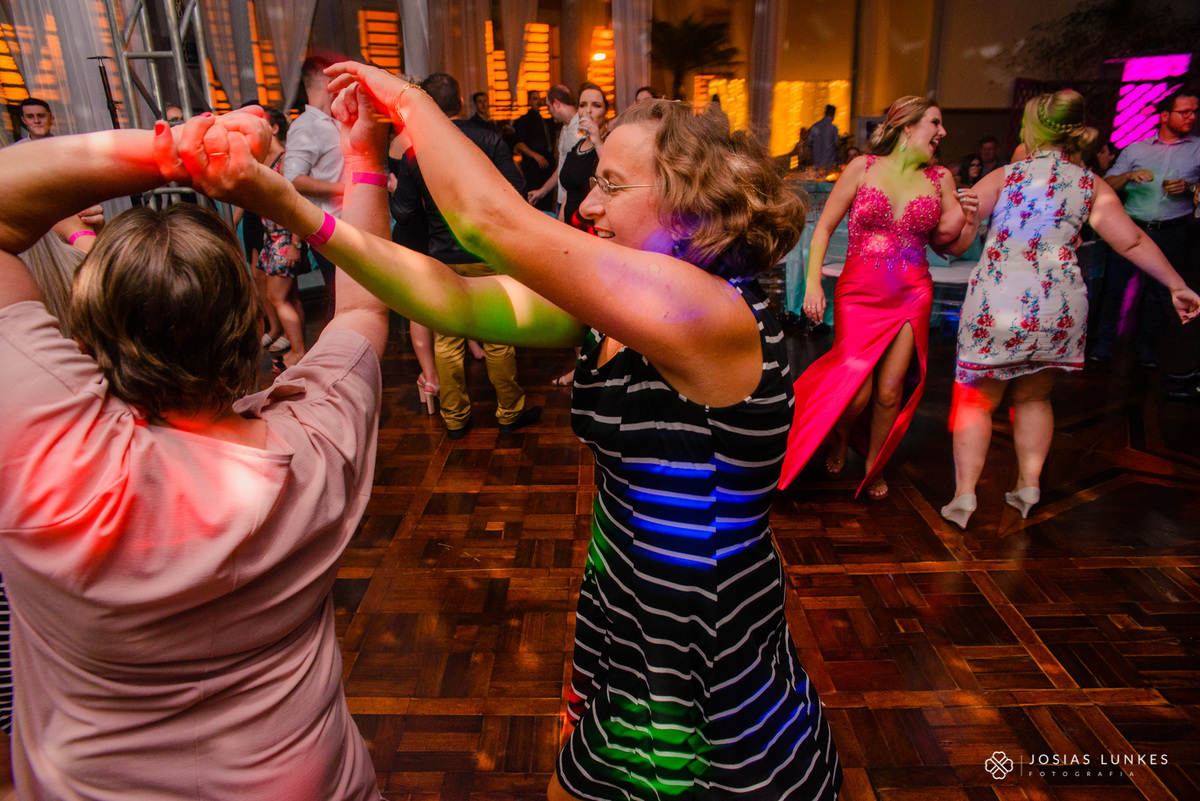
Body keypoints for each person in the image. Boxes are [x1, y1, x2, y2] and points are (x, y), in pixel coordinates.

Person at [320, 61, 843, 801]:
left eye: (612, 186)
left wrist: (404, 98)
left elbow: (489, 222)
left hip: (697, 629)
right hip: (626, 597)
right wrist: (361, 164)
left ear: (690, 203)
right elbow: (449, 299)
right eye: (592, 181)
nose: (589, 204)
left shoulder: (713, 313)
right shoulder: (613, 308)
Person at [0, 104, 391, 798]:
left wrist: (180, 150)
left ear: (86, 333)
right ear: (246, 325)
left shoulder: (47, 451)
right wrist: (364, 156)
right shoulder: (318, 441)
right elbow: (364, 306)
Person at [940, 90, 1199, 527]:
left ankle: (964, 497)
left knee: (977, 403)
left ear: (1031, 129)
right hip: (1057, 309)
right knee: (1035, 397)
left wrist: (959, 217)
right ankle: (1028, 486)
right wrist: (1177, 284)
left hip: (999, 305)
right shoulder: (1089, 183)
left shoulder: (1005, 176)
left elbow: (953, 237)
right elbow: (1132, 240)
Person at [783, 96, 970, 500]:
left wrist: (968, 219)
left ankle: (875, 465)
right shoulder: (861, 168)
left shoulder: (941, 179)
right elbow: (823, 228)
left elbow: (949, 246)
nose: (942, 132)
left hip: (912, 292)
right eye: (935, 122)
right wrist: (812, 283)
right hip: (859, 292)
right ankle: (840, 435)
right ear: (908, 127)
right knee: (857, 388)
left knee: (890, 390)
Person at [390, 73, 539, 438]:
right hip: (487, 251)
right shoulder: (488, 139)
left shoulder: (415, 150)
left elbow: (403, 212)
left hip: (443, 256)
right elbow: (516, 191)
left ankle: (455, 418)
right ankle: (509, 412)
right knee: (498, 336)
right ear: (459, 102)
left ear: (429, 104)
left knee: (448, 340)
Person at [1089, 89, 1200, 367]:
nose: (1191, 117)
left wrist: (1191, 188)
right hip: (1130, 227)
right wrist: (1128, 175)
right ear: (1165, 116)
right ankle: (1104, 345)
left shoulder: (1197, 149)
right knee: (1115, 289)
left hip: (1172, 230)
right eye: (1184, 112)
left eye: (1194, 111)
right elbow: (1106, 185)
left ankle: (1147, 349)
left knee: (1159, 293)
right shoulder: (1136, 149)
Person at [284, 55, 346, 320]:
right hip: (330, 229)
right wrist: (344, 189)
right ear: (327, 80)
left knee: (352, 298)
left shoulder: (335, 121)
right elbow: (292, 179)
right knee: (343, 299)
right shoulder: (305, 126)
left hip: (350, 224)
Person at [256, 106, 308, 371]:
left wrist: (295, 244)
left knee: (276, 297)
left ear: (274, 129)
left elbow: (297, 205)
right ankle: (301, 350)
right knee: (291, 298)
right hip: (272, 237)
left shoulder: (285, 161)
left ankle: (298, 352)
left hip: (285, 239)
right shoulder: (264, 160)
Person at [558, 82, 608, 230]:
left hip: (592, 228)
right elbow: (570, 191)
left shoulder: (609, 142)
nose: (588, 111)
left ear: (606, 111)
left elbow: (611, 177)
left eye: (596, 105)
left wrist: (597, 140)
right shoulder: (577, 147)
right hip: (570, 228)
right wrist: (560, 226)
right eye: (582, 105)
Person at [526, 84, 578, 212]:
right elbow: (562, 166)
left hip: (574, 202)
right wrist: (542, 191)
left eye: (549, 106)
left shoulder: (581, 128)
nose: (549, 111)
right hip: (562, 199)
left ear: (556, 103)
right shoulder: (565, 128)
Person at [512, 89, 556, 212]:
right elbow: (519, 144)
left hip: (548, 166)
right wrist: (536, 156)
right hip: (533, 168)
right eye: (535, 99)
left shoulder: (547, 120)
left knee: (548, 200)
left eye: (540, 99)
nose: (538, 101)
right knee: (535, 201)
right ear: (529, 101)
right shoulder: (524, 120)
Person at [808, 104, 840, 171]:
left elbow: (809, 142)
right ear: (833, 114)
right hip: (829, 159)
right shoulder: (833, 128)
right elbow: (837, 143)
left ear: (825, 113)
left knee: (817, 174)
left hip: (816, 159)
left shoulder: (815, 126)